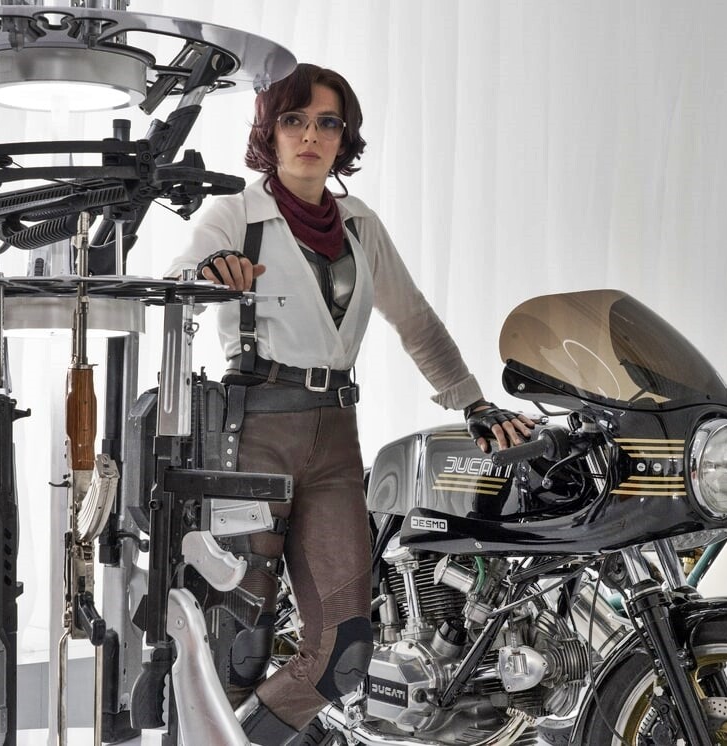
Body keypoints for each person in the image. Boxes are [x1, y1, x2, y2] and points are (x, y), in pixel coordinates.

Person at [166, 62, 533, 745]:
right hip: (254, 434)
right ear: (269, 133)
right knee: (239, 647)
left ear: (344, 138)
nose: (310, 135)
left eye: (327, 123)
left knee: (344, 650)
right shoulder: (234, 215)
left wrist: (474, 403)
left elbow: (416, 322)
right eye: (294, 120)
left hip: (336, 437)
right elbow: (171, 286)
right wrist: (207, 274)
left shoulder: (360, 224)